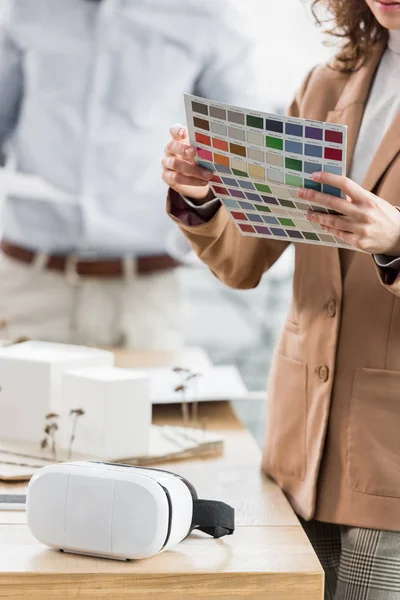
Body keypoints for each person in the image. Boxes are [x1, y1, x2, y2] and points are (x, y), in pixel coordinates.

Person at [162, 0, 400, 597]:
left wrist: (397, 239)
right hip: (302, 439)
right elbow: (247, 260)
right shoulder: (325, 84)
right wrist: (203, 195)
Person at [0, 0, 265, 349]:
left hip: (145, 294)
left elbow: (248, 154)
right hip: (30, 284)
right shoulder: (23, 10)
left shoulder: (207, 17)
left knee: (147, 404)